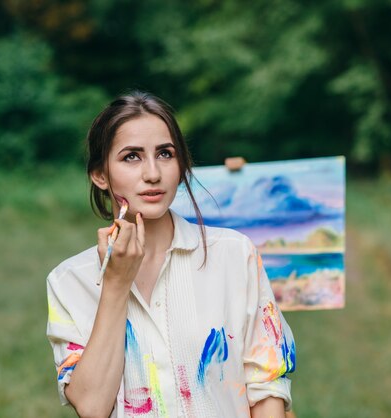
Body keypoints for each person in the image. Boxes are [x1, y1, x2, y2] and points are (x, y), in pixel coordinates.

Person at [46, 91, 296, 418]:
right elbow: (92, 407)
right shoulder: (69, 280)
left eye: (165, 154)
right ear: (100, 175)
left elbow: (267, 387)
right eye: (131, 157)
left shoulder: (235, 254)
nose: (153, 173)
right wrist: (117, 284)